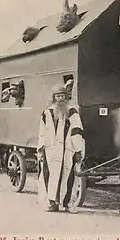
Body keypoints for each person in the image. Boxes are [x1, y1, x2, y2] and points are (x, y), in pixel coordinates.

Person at [37, 84, 85, 213]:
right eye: (57, 96)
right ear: (54, 98)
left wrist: (78, 149)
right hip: (51, 150)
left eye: (62, 96)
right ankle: (52, 203)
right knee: (49, 175)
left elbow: (77, 130)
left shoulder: (72, 112)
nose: (60, 99)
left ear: (66, 97)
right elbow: (42, 132)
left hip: (68, 150)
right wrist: (41, 147)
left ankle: (68, 203)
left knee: (68, 176)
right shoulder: (47, 113)